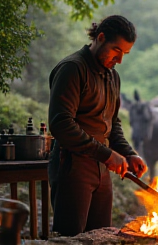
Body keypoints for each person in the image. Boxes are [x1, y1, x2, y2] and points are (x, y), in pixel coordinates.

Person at [48, 15, 147, 237]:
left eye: (125, 54)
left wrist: (127, 153)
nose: (120, 59)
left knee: (102, 237)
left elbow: (113, 123)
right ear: (100, 37)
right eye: (116, 50)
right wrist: (107, 154)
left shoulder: (113, 76)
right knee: (72, 239)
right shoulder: (72, 69)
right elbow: (61, 123)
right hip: (72, 168)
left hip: (102, 171)